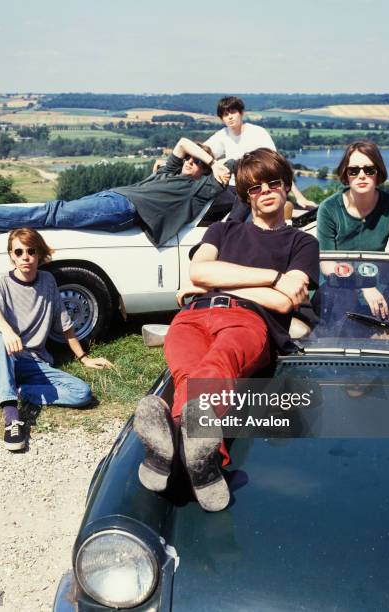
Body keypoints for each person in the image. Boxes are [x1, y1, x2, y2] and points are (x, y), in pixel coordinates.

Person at [133, 148, 319, 512]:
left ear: (286, 186)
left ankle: (171, 446)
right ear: (244, 195)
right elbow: (200, 273)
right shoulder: (222, 229)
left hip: (248, 320)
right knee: (189, 373)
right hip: (192, 318)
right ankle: (201, 463)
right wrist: (271, 277)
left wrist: (219, 284)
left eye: (274, 183)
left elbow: (284, 302)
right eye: (254, 187)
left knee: (216, 366)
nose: (265, 191)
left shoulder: (302, 243)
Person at [0, 137, 232, 249]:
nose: (190, 163)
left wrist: (213, 164)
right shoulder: (171, 172)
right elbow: (182, 143)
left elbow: (226, 173)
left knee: (52, 212)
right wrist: (206, 157)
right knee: (53, 223)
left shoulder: (197, 190)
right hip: (113, 197)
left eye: (197, 163)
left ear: (204, 172)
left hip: (126, 210)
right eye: (191, 160)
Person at [0, 228, 113, 451]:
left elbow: (65, 324)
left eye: (31, 251)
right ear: (11, 255)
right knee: (0, 336)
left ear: (39, 254)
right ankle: (12, 418)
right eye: (18, 252)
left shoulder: (47, 281)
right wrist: (9, 331)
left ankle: (17, 390)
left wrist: (84, 357)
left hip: (32, 361)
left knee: (82, 393)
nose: (25, 257)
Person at [317, 140, 389, 333]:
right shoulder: (330, 208)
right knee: (342, 304)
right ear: (346, 175)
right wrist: (364, 285)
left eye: (369, 170)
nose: (361, 175)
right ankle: (337, 360)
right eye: (354, 171)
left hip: (380, 280)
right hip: (339, 284)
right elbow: (327, 265)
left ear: (378, 172)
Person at [204, 96, 317, 221]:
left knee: (239, 212)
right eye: (225, 114)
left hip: (253, 187)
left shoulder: (257, 133)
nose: (230, 117)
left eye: (233, 112)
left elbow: (277, 166)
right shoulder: (223, 135)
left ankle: (231, 229)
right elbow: (202, 152)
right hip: (230, 187)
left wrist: (298, 196)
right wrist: (214, 165)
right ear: (222, 119)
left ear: (241, 113)